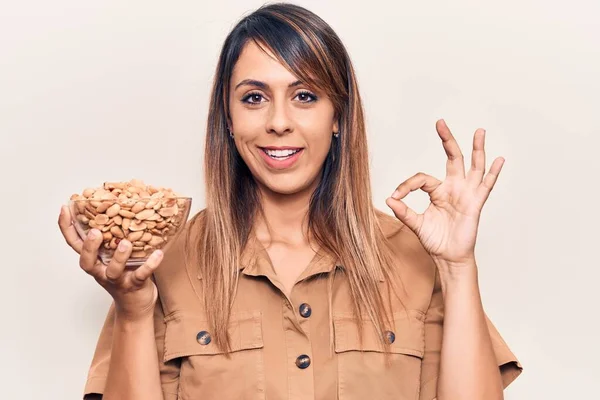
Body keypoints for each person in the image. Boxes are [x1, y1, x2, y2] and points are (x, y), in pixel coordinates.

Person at [58, 3, 523, 399]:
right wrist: (134, 311)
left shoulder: (412, 256)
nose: (279, 122)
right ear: (228, 117)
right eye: (255, 97)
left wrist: (459, 267)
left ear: (337, 115)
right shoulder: (167, 259)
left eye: (304, 95)